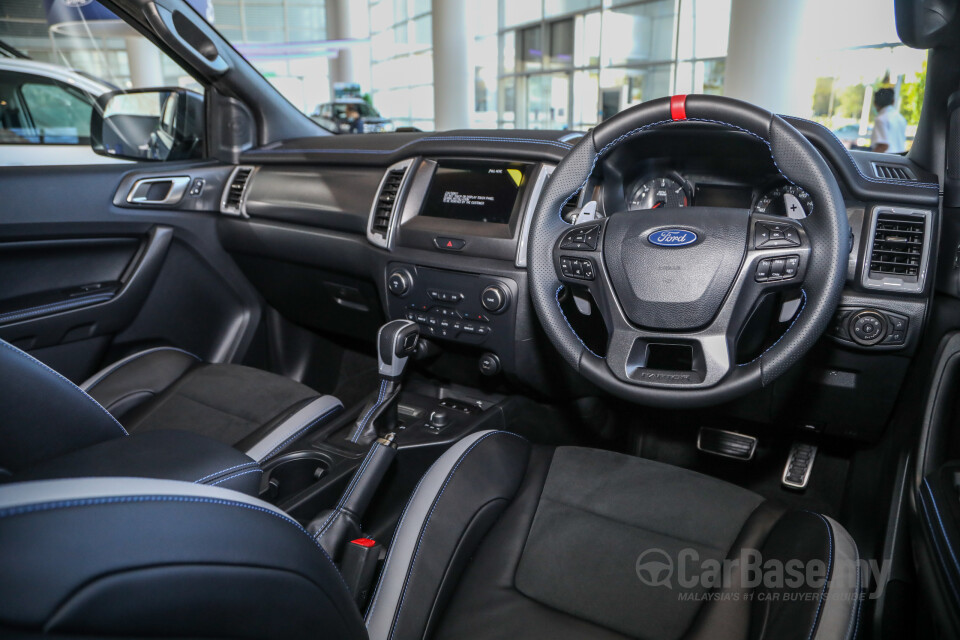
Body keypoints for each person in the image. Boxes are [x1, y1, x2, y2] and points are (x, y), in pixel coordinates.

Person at [870, 87, 907, 153]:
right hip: (900, 159)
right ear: (893, 101)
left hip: (886, 160)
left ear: (875, 103)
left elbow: (883, 146)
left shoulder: (880, 119)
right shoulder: (901, 118)